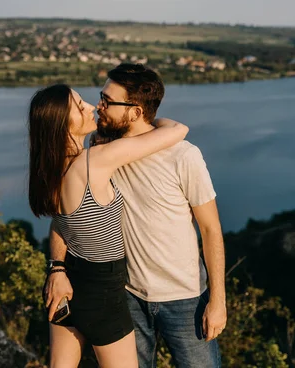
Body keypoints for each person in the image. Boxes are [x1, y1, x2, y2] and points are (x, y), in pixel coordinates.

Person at [47, 64, 227, 368]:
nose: (98, 108)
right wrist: (57, 267)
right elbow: (66, 217)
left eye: (107, 101)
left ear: (134, 111)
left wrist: (218, 301)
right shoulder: (98, 149)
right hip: (126, 295)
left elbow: (210, 229)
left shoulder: (184, 156)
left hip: (184, 299)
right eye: (100, 98)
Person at [28, 83, 189, 368]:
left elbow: (61, 225)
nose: (90, 107)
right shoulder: (93, 163)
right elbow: (178, 130)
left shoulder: (49, 171)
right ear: (62, 125)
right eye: (79, 107)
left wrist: (57, 268)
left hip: (67, 283)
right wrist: (150, 118)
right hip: (103, 292)